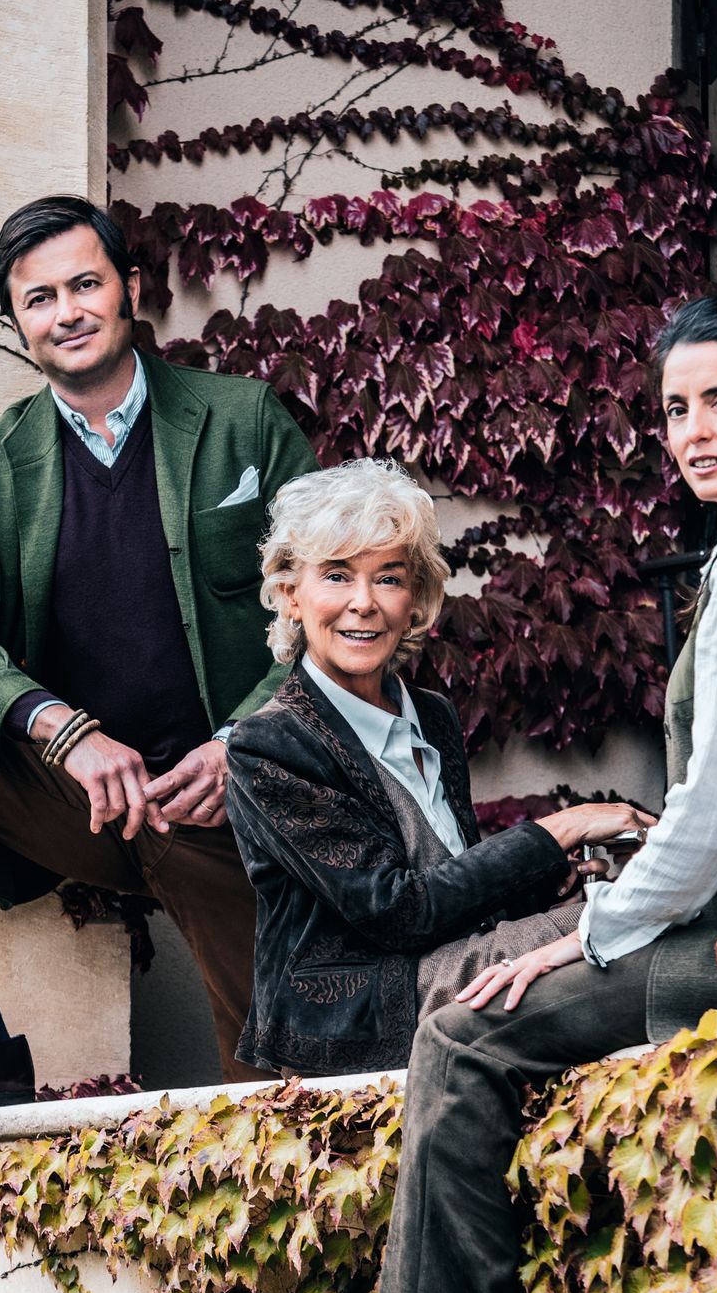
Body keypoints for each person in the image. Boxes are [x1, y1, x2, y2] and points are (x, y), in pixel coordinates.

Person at [308, 290, 717, 1293]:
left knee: (468, 1028)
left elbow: (708, 824)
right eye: (676, 409)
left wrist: (577, 942)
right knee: (485, 988)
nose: (694, 431)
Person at [0, 195, 317, 1123]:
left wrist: (246, 744)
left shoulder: (243, 420)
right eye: (39, 297)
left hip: (226, 801)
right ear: (18, 322)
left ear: (129, 290)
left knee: (281, 1088)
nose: (66, 311)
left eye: (85, 284)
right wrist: (64, 733)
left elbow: (334, 606)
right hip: (81, 804)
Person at [226, 458, 657, 1077]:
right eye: (338, 576)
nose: (364, 604)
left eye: (389, 578)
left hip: (450, 961)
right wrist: (558, 830)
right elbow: (397, 911)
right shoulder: (269, 744)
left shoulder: (432, 714)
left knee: (625, 906)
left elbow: (449, 878)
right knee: (620, 920)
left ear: (417, 597)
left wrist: (542, 877)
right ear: (293, 596)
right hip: (370, 1010)